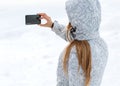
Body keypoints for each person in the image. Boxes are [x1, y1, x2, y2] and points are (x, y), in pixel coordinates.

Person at [38, 0, 108, 86]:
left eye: (73, 18)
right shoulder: (100, 44)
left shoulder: (76, 54)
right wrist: (52, 25)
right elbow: (77, 34)